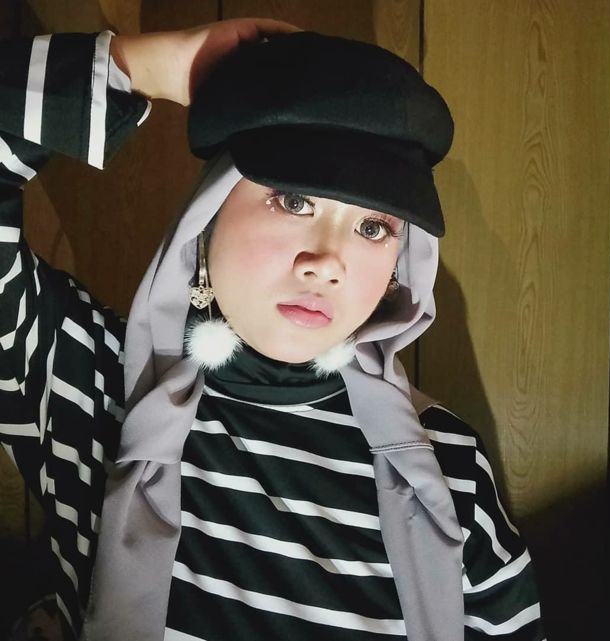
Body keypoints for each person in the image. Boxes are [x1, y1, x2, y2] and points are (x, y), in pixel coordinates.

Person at [0, 18, 544, 641]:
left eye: (373, 227)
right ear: (206, 216)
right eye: (293, 200)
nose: (327, 262)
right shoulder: (87, 385)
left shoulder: (450, 466)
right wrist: (143, 67)